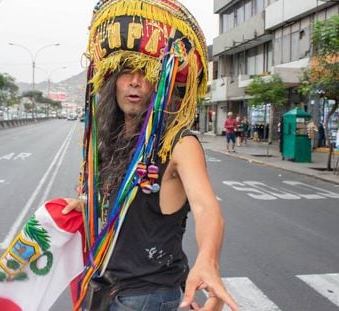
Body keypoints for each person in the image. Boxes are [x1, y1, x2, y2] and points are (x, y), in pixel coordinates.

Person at [63, 1, 239, 310]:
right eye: (126, 72)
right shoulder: (113, 141)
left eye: (147, 73)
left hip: (148, 298)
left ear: (162, 85)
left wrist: (208, 261)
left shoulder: (179, 143)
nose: (135, 81)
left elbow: (207, 208)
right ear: (112, 81)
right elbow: (124, 207)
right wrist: (86, 205)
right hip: (105, 288)